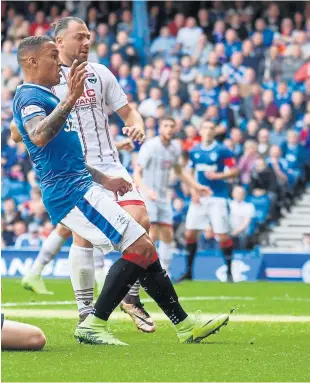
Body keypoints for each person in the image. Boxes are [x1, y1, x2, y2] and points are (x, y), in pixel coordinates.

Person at [13, 36, 229, 346]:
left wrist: (104, 179)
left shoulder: (45, 95)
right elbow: (38, 136)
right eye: (51, 56)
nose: (58, 63)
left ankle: (183, 324)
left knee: (146, 248)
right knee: (139, 246)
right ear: (31, 62)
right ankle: (93, 322)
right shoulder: (31, 97)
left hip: (83, 186)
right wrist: (70, 99)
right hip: (71, 194)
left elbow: (67, 156)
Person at [19, 17, 154, 333]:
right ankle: (86, 312)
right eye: (79, 37)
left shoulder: (101, 74)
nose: (87, 42)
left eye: (89, 36)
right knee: (82, 235)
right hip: (75, 169)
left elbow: (128, 110)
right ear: (59, 41)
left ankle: (129, 297)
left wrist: (138, 126)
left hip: (109, 163)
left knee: (141, 221)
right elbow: (23, 128)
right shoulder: (46, 81)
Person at [134, 116, 211, 274]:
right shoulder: (150, 147)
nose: (169, 129)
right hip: (148, 196)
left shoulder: (175, 148)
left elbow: (178, 171)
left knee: (168, 234)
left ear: (175, 129)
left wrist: (196, 187)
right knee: (152, 232)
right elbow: (137, 172)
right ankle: (144, 269)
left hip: (162, 196)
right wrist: (147, 191)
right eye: (165, 125)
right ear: (160, 128)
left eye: (171, 126)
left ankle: (165, 272)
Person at [178, 120, 239, 282]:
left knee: (222, 235)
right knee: (190, 232)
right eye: (205, 127)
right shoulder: (194, 151)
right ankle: (189, 272)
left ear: (214, 132)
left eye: (211, 128)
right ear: (200, 131)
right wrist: (193, 191)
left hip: (217, 197)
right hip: (199, 198)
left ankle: (229, 272)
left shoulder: (223, 150)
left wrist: (219, 176)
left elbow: (234, 171)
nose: (208, 130)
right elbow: (188, 173)